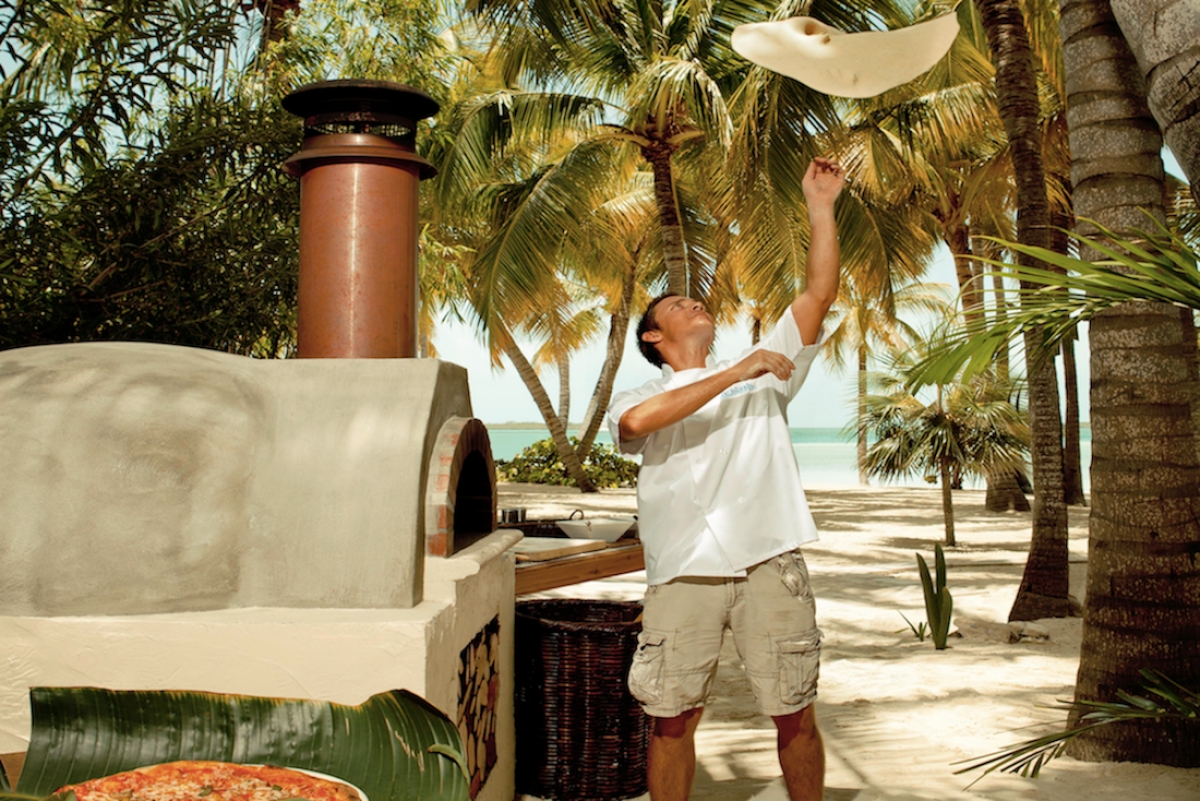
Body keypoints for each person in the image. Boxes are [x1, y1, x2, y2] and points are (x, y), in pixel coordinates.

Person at [605, 157, 845, 801]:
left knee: (794, 710)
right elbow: (636, 424)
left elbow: (817, 294)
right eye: (678, 304)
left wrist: (820, 205)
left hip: (770, 561)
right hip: (683, 570)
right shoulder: (647, 387)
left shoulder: (764, 368)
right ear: (654, 335)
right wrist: (735, 372)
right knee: (671, 718)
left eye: (697, 297)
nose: (696, 300)